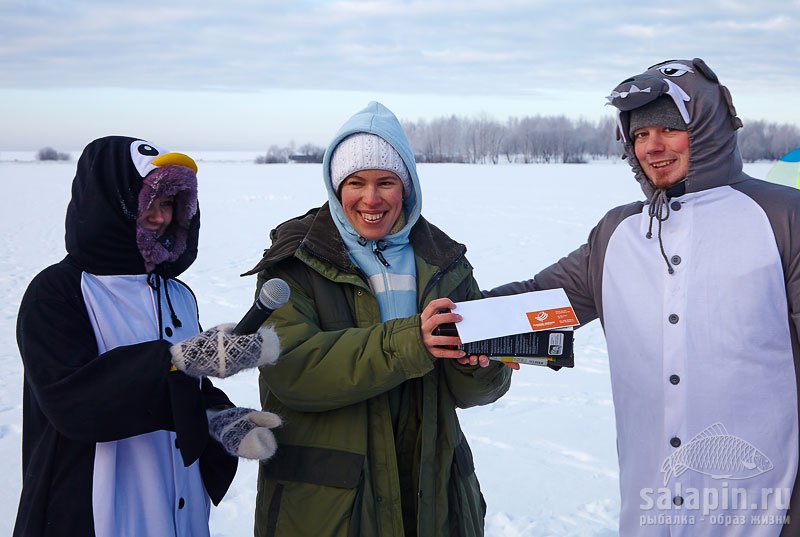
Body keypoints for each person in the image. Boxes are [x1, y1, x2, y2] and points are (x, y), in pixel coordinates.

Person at [486, 57, 800, 535]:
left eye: (669, 129)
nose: (652, 147)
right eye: (639, 134)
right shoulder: (619, 234)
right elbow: (541, 304)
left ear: (708, 127)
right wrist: (457, 323)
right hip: (652, 516)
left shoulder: (780, 218)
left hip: (765, 515)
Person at [243, 102, 512, 536]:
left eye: (386, 182)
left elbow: (480, 390)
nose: (371, 199)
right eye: (356, 183)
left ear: (406, 186)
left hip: (431, 492)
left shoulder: (443, 261)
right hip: (330, 504)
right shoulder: (295, 262)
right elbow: (292, 370)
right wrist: (412, 342)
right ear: (336, 187)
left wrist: (475, 367)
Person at [15, 136, 283, 537]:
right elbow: (70, 401)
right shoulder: (58, 291)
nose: (161, 218)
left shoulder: (176, 293)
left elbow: (182, 384)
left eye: (170, 204)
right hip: (97, 509)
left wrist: (216, 417)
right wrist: (178, 359)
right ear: (109, 202)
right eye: (149, 203)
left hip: (180, 508)